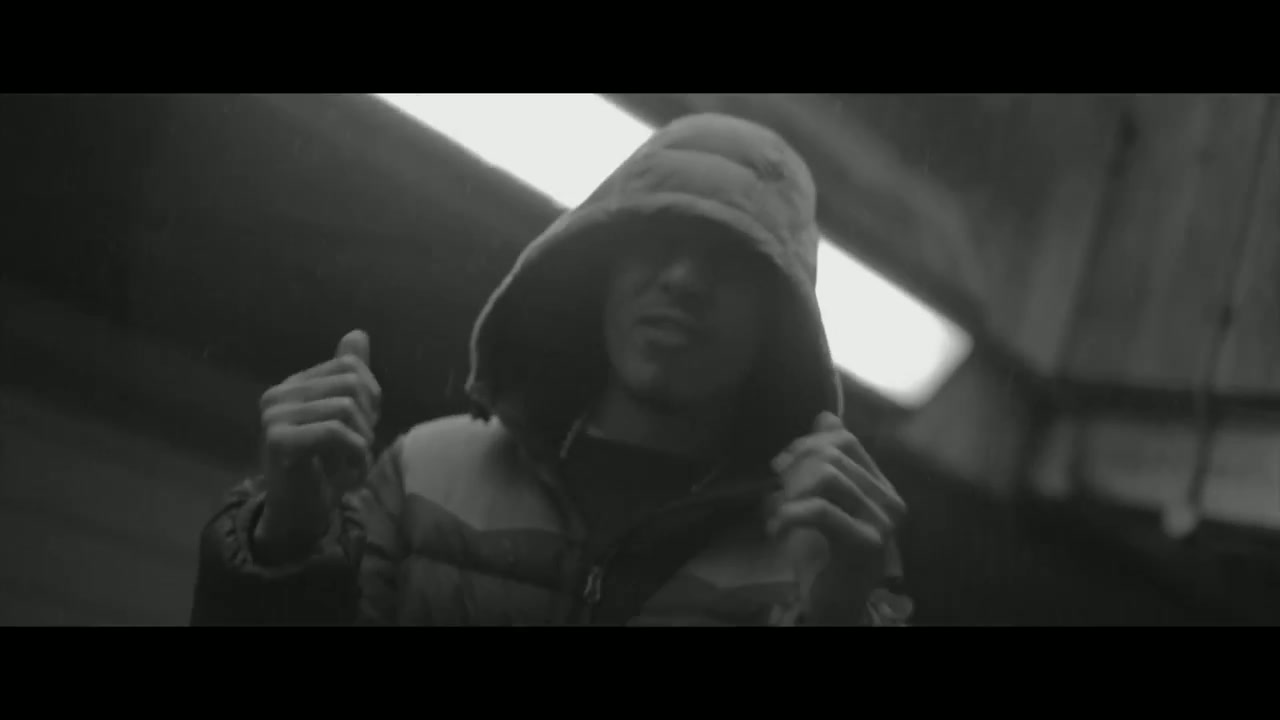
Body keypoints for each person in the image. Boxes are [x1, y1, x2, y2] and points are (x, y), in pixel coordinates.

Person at [190, 112, 912, 626]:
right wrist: (286, 533)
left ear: (781, 322)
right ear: (600, 267)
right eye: (658, 237)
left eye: (735, 261)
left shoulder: (820, 551)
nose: (685, 279)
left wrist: (836, 615)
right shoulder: (425, 475)